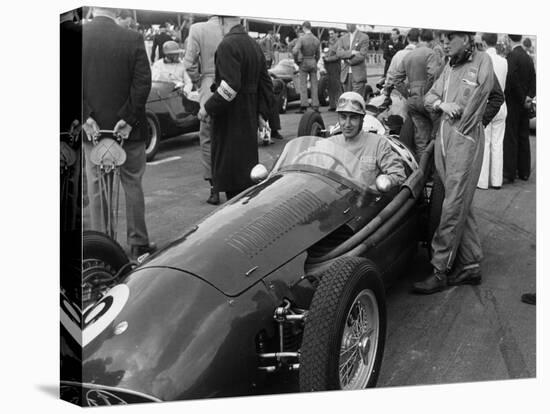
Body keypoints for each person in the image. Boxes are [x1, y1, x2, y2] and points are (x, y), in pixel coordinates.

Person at [413, 30, 500, 294]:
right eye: (442, 38)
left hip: (464, 141)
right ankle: (471, 265)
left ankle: (439, 269)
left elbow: (486, 95)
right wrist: (442, 104)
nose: (444, 42)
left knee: (452, 205)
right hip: (444, 140)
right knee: (459, 201)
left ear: (466, 37)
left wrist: (470, 127)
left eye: (451, 37)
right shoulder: (449, 67)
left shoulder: (482, 61)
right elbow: (428, 98)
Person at [82, 7, 155, 259]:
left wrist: (85, 116)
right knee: (132, 183)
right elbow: (143, 83)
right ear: (117, 9)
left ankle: (102, 248)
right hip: (129, 131)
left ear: (91, 7)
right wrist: (127, 117)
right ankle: (138, 244)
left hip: (92, 131)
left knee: (96, 188)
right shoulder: (132, 38)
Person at [200, 16, 273, 200]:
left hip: (230, 120)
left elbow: (229, 87)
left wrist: (208, 108)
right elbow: (266, 84)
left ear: (222, 21)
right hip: (248, 119)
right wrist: (261, 113)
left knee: (232, 183)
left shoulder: (227, 45)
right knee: (248, 179)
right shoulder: (254, 45)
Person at [328, 91, 406, 190]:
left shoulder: (378, 144)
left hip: (366, 201)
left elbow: (398, 174)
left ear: (362, 119)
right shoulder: (330, 143)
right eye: (343, 117)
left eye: (353, 118)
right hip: (333, 199)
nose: (347, 124)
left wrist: (387, 180)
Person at [183, 15, 224, 204]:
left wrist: (199, 81)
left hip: (209, 85)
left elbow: (189, 63)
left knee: (207, 137)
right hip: (233, 85)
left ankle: (214, 188)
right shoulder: (232, 27)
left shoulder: (198, 29)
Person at [392, 29, 440, 159]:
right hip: (428, 100)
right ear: (432, 40)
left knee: (421, 140)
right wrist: (426, 93)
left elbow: (396, 79)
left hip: (413, 100)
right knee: (437, 135)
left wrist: (408, 94)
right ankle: (434, 171)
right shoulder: (431, 53)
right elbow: (433, 75)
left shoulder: (409, 55)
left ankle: (421, 173)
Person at [503, 34, 536, 183]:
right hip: (526, 103)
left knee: (511, 137)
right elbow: (534, 78)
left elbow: (511, 79)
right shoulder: (528, 58)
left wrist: (522, 97)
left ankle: (510, 172)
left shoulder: (512, 56)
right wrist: (529, 96)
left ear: (509, 40)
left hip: (514, 103)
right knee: (523, 136)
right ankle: (524, 171)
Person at [477, 32, 508, 190]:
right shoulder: (504, 61)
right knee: (497, 143)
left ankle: (482, 181)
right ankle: (497, 180)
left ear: (483, 42)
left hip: (488, 104)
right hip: (501, 105)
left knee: (485, 143)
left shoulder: (483, 60)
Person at [292, 21, 320, 113]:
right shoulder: (316, 39)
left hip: (304, 62)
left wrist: (297, 60)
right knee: (314, 84)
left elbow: (295, 51)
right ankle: (315, 105)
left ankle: (304, 105)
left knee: (303, 85)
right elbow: (318, 54)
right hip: (313, 61)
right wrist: (315, 61)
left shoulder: (302, 39)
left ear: (304, 28)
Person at [336, 24, 369, 96]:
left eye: (349, 23)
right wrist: (351, 53)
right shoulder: (343, 38)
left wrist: (347, 60)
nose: (347, 25)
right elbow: (338, 53)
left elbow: (362, 55)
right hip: (345, 75)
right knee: (347, 100)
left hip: (358, 75)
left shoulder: (364, 37)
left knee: (356, 101)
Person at [323, 29, 343, 111]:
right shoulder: (328, 42)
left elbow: (338, 56)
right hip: (328, 66)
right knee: (329, 86)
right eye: (329, 34)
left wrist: (328, 59)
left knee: (336, 85)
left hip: (335, 65)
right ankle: (332, 105)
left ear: (336, 34)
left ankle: (340, 105)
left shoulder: (339, 43)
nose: (331, 35)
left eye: (332, 33)